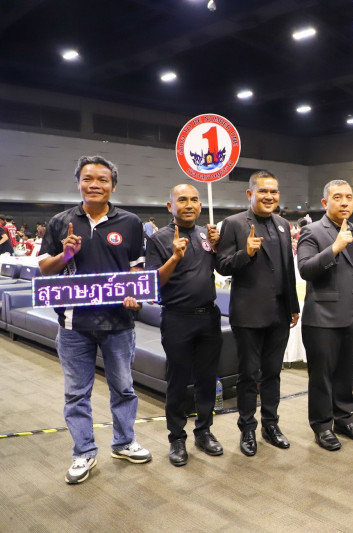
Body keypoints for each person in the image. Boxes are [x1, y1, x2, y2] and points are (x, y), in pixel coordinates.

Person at [38, 155, 151, 485]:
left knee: (124, 388)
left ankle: (124, 442)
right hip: (74, 324)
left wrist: (134, 292)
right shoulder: (60, 222)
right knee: (76, 394)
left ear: (112, 186)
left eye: (103, 180)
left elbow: (136, 268)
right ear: (78, 183)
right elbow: (44, 270)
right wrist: (66, 255)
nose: (95, 185)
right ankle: (83, 452)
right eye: (88, 179)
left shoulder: (130, 222)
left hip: (119, 322)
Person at [216, 170, 300, 456]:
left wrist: (293, 306)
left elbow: (287, 268)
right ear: (250, 194)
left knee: (273, 373)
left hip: (279, 313)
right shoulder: (234, 224)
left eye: (273, 192)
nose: (269, 196)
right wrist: (247, 254)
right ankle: (247, 428)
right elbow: (222, 266)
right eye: (263, 191)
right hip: (248, 314)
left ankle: (271, 425)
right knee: (249, 375)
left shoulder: (283, 224)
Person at [145, 184, 224, 466]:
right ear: (170, 206)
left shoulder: (207, 235)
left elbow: (222, 267)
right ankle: (176, 438)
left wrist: (218, 246)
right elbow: (153, 283)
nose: (189, 204)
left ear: (201, 205)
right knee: (178, 381)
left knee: (207, 379)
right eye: (182, 200)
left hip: (209, 317)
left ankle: (204, 431)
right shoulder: (158, 239)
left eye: (194, 200)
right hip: (177, 318)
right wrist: (174, 257)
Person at [297, 180, 353, 451]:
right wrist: (334, 248)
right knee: (322, 377)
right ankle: (322, 426)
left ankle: (344, 419)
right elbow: (305, 269)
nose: (344, 202)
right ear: (324, 202)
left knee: (346, 373)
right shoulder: (312, 231)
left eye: (349, 197)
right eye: (338, 197)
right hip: (323, 318)